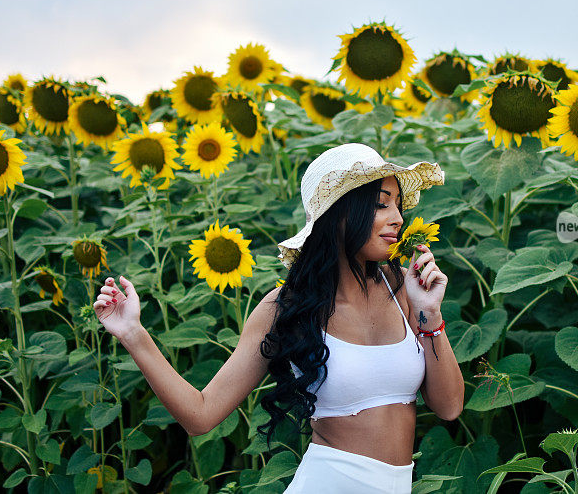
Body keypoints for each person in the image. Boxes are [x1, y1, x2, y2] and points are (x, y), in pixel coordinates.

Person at [93, 142, 464, 493]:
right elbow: (200, 415)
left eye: (398, 204)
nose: (398, 218)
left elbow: (449, 407)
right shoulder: (287, 307)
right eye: (383, 204)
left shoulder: (405, 290)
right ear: (339, 212)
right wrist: (133, 334)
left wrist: (429, 313)